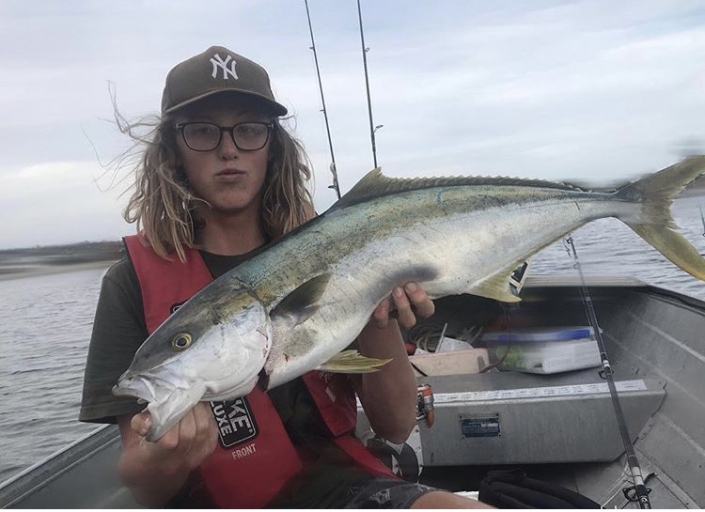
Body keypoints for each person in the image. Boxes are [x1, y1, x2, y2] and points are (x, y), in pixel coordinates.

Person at [80, 45, 491, 509]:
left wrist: (381, 322)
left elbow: (394, 425)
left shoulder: (335, 249)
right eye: (201, 131)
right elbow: (141, 480)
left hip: (344, 487)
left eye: (250, 129)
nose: (229, 148)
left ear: (272, 145)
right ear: (172, 150)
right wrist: (163, 460)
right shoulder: (129, 284)